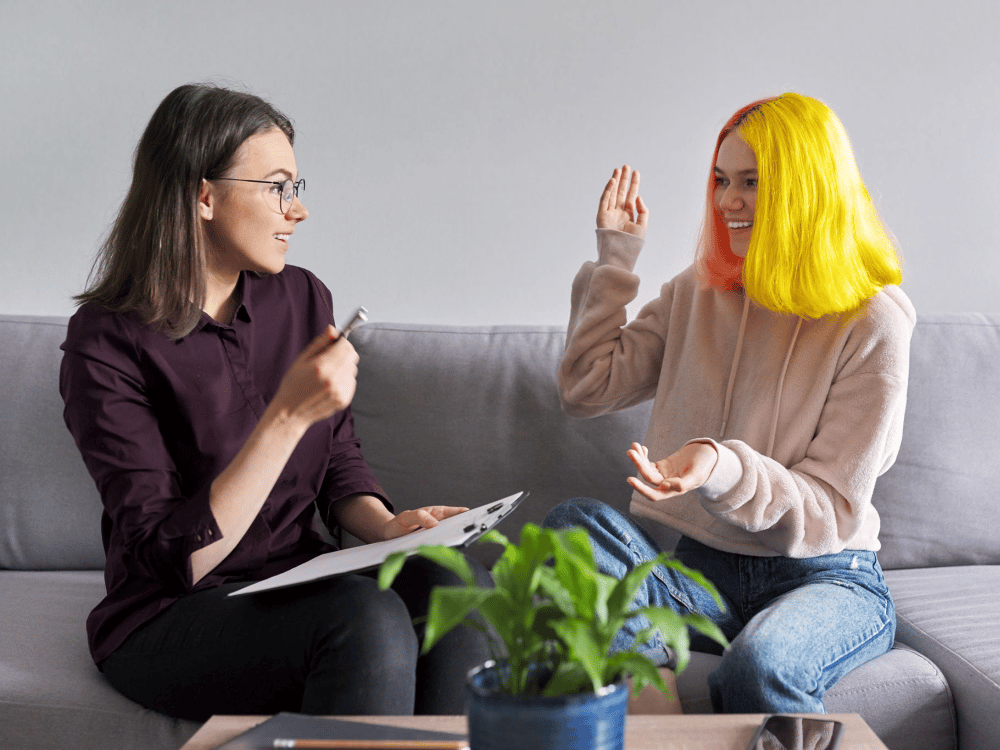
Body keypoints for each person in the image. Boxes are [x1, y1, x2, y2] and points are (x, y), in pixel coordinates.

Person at [60, 83, 490, 721]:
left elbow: (338, 456)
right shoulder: (107, 341)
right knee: (362, 618)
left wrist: (386, 526)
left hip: (296, 577)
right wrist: (285, 418)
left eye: (297, 186)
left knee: (451, 582)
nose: (299, 210)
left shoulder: (302, 298)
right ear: (204, 195)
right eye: (277, 187)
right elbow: (171, 557)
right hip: (169, 611)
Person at [544, 92, 914, 714]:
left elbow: (831, 509)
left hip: (827, 576)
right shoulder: (698, 292)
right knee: (575, 530)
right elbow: (587, 387)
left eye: (750, 182)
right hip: (702, 573)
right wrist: (616, 259)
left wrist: (722, 466)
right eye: (720, 180)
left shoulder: (875, 321)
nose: (726, 201)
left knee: (760, 666)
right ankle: (656, 722)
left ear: (805, 190)